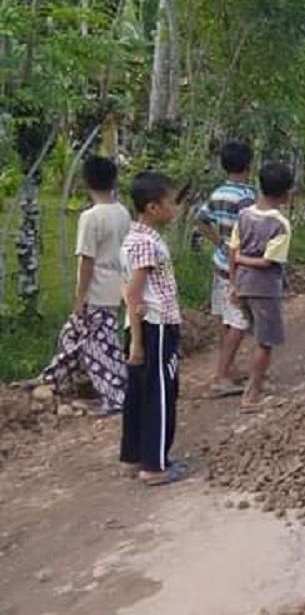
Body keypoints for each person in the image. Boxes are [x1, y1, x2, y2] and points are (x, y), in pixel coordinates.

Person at [39, 156, 131, 415]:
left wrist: (79, 298)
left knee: (99, 346)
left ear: (85, 182)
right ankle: (52, 378)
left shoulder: (91, 217)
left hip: (97, 289)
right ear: (113, 181)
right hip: (117, 284)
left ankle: (116, 396)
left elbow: (86, 261)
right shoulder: (122, 212)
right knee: (72, 334)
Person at [119, 172, 184, 486]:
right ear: (153, 208)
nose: (176, 207)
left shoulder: (136, 237)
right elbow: (132, 293)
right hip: (154, 326)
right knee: (160, 394)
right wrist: (137, 343)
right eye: (171, 202)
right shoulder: (145, 243)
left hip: (144, 324)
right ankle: (155, 466)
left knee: (139, 394)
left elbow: (130, 293)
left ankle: (135, 456)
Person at [229, 162, 294, 414]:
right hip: (265, 287)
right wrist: (245, 260)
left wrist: (234, 282)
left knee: (255, 335)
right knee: (265, 341)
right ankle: (252, 394)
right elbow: (269, 261)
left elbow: (233, 249)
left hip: (243, 284)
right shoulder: (280, 224)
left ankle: (255, 383)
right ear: (285, 193)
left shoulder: (244, 215)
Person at [194, 141, 256, 398]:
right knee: (240, 322)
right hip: (238, 266)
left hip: (220, 262)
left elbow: (200, 220)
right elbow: (249, 231)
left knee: (226, 320)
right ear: (248, 165)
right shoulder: (246, 197)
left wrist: (218, 241)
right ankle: (221, 376)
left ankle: (227, 368)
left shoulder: (218, 193)